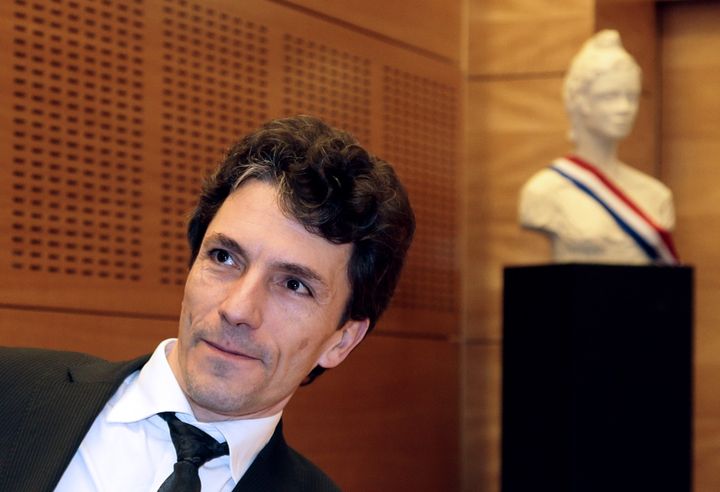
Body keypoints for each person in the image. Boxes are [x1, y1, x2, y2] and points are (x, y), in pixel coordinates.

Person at [0, 115, 415, 492]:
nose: (237, 309)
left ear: (342, 341)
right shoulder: (12, 390)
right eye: (224, 258)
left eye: (293, 284)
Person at [519, 30, 678, 265]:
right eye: (610, 96)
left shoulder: (657, 196)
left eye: (631, 96)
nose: (624, 108)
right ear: (579, 101)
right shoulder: (543, 192)